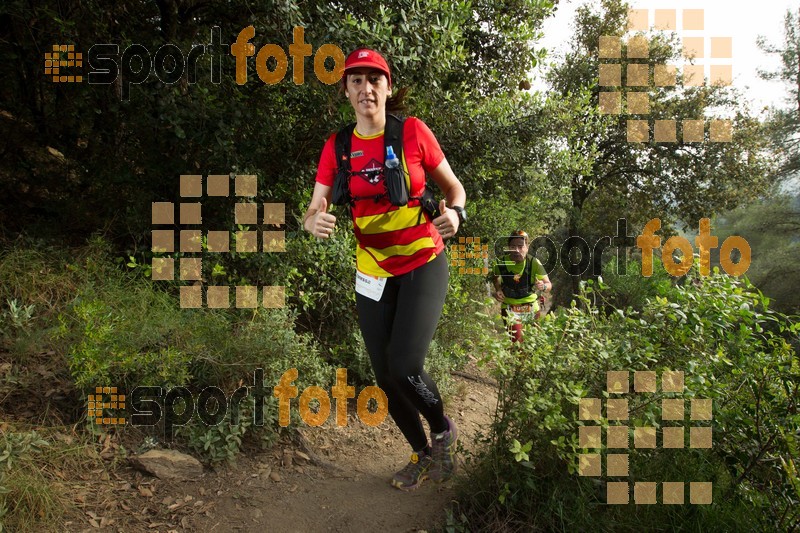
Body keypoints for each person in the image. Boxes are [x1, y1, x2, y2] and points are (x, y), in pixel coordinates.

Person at [302, 48, 467, 491]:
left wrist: (457, 212)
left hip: (422, 261)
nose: (366, 88)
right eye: (356, 80)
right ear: (347, 91)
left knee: (406, 363)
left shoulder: (411, 132)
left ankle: (442, 428)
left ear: (388, 88)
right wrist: (311, 220)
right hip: (372, 270)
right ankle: (422, 455)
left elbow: (454, 188)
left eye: (374, 79)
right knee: (384, 376)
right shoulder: (337, 147)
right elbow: (313, 207)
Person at [492, 230, 552, 343]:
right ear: (508, 247)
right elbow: (494, 278)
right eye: (513, 246)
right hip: (510, 307)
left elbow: (548, 285)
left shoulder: (534, 263)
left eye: (520, 246)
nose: (516, 250)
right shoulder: (501, 263)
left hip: (531, 308)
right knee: (518, 343)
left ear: (527, 247)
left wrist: (542, 286)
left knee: (532, 343)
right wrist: (498, 290)